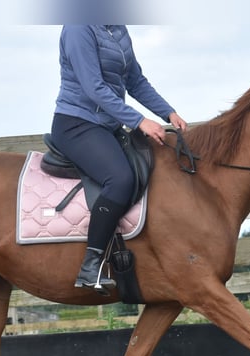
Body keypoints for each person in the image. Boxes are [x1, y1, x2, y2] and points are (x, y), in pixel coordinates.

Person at [51, 25, 188, 291]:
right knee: (121, 179)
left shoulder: (118, 30)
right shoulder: (78, 30)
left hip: (108, 124)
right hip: (76, 124)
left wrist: (168, 113)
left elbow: (135, 81)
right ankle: (90, 266)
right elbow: (94, 88)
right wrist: (139, 121)